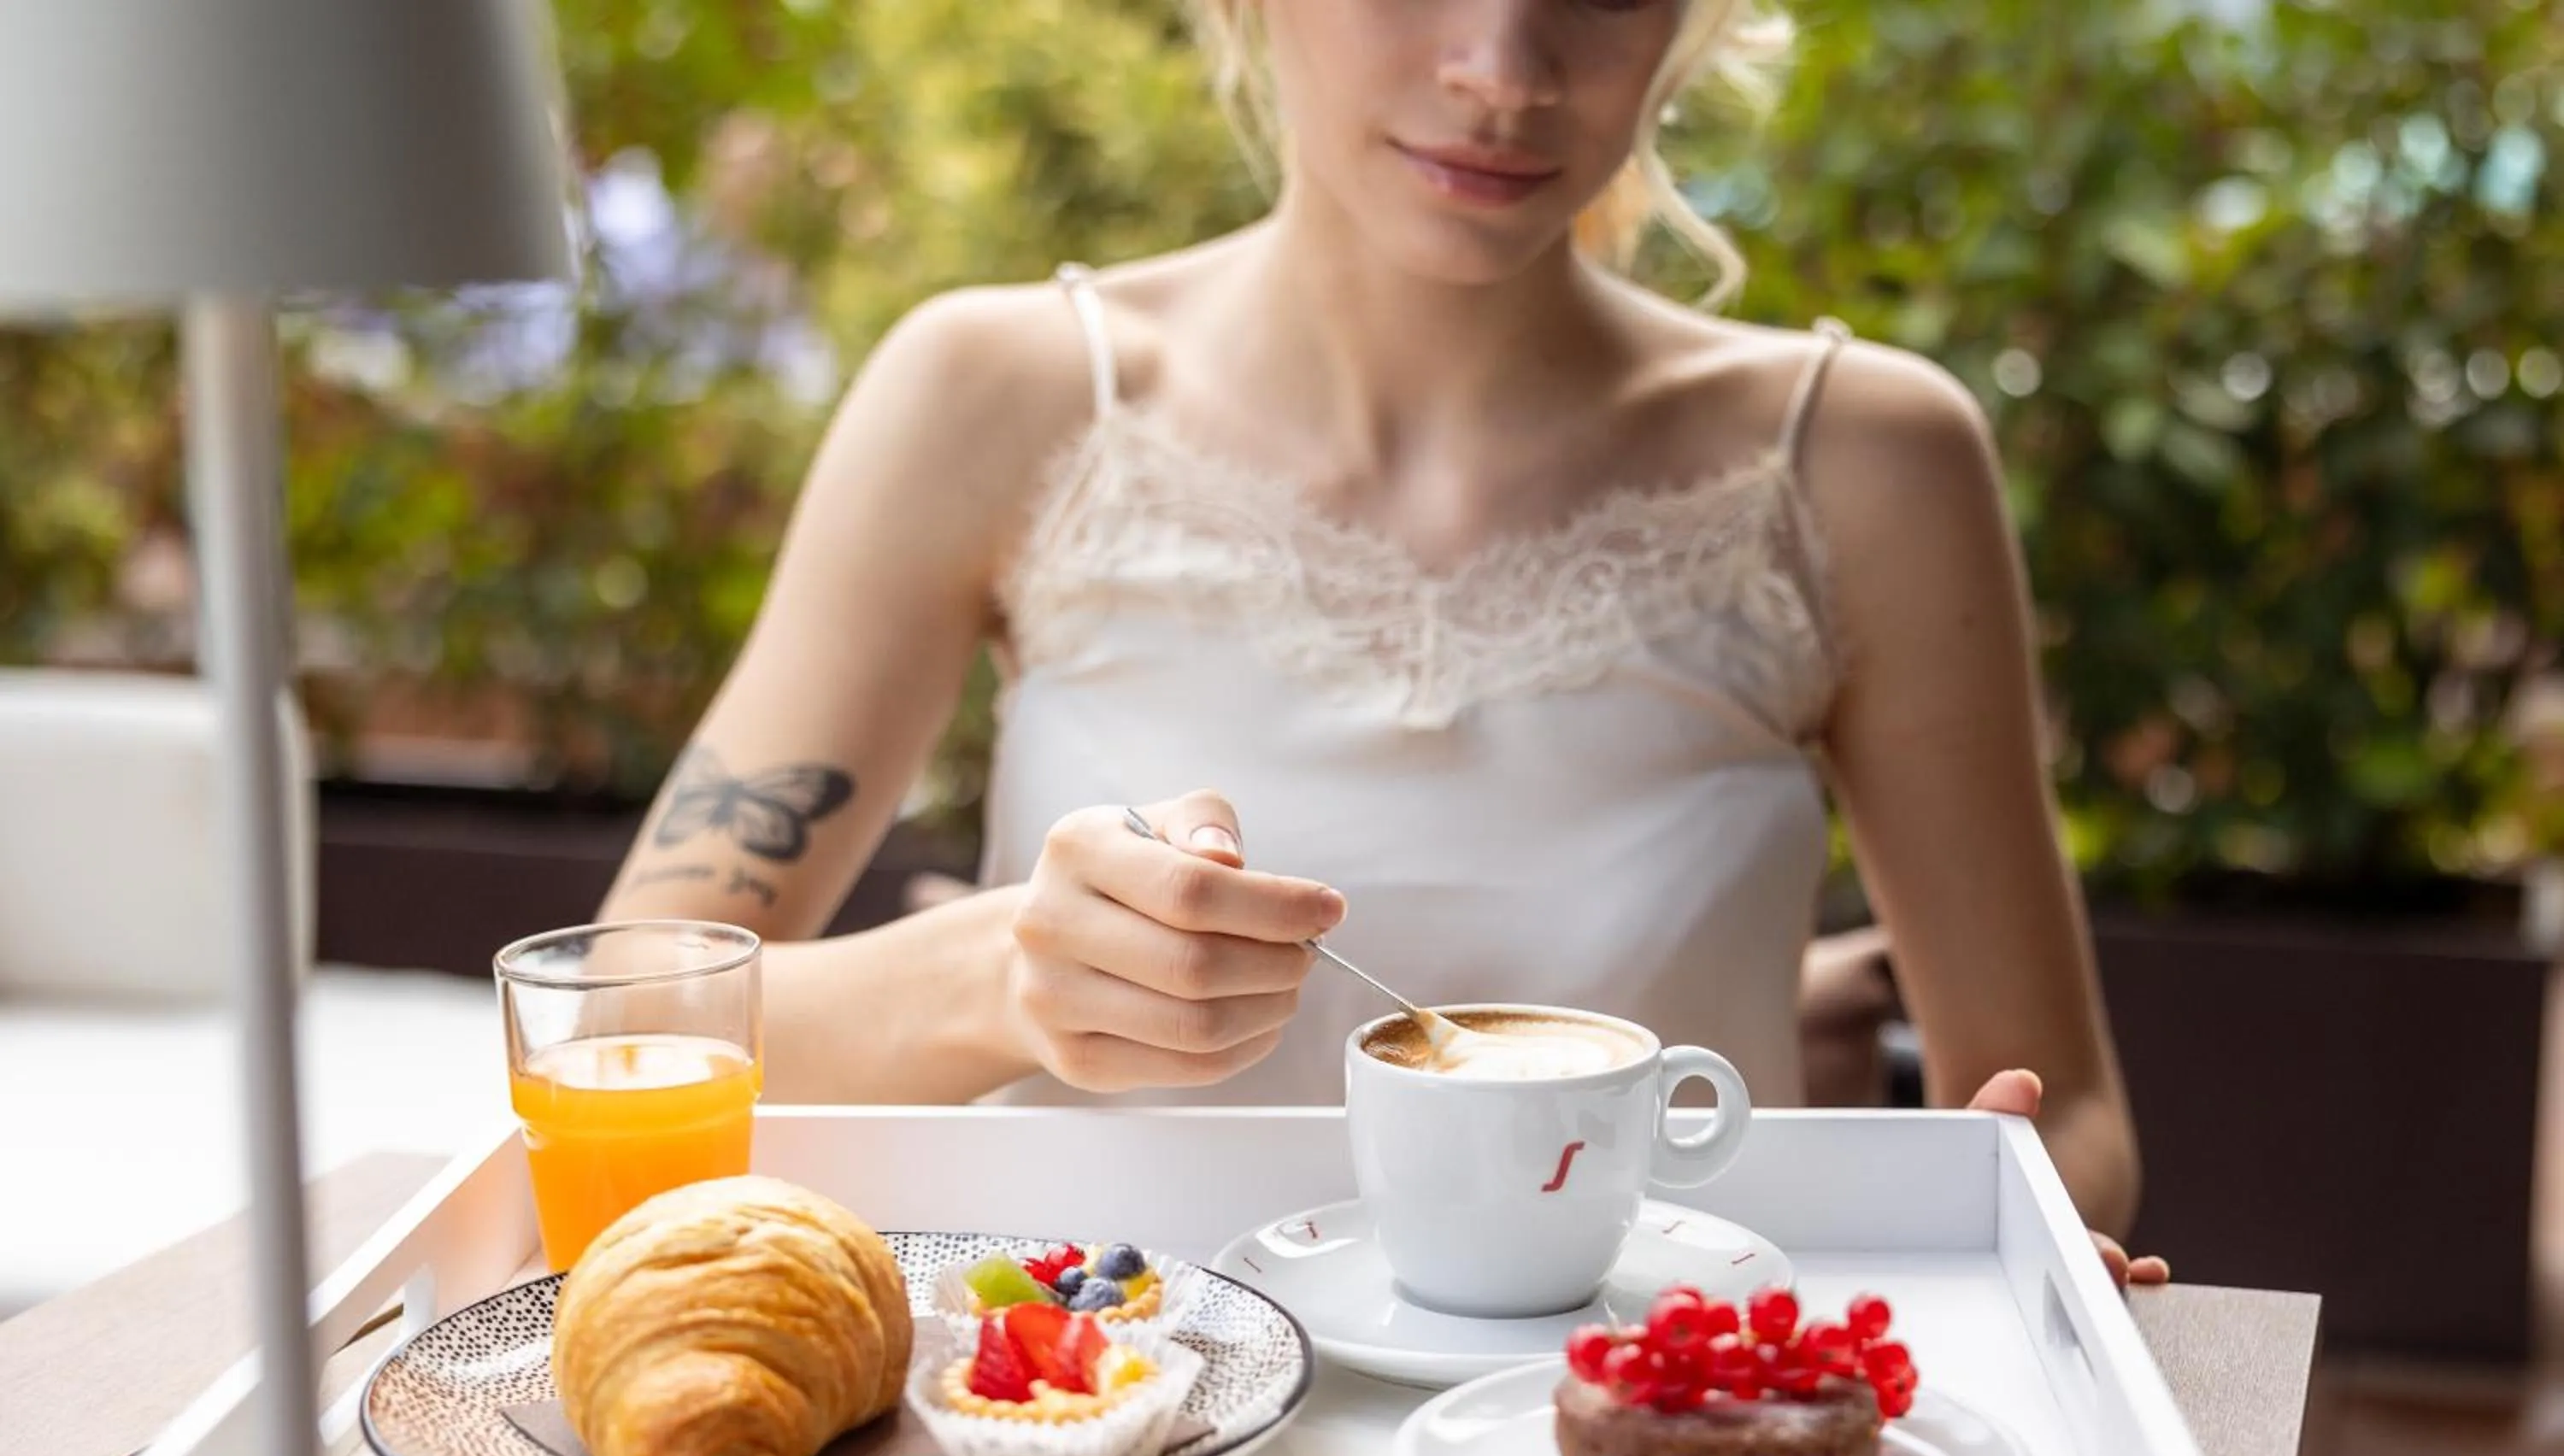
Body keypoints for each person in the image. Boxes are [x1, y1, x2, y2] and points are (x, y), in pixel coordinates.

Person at [597, 0, 2168, 1283]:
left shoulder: (1864, 460)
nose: (1502, 69)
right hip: (1111, 1444)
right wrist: (1002, 979)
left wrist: (2037, 1249)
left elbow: (2064, 1111)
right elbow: (615, 1033)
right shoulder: (998, 395)